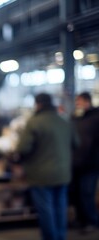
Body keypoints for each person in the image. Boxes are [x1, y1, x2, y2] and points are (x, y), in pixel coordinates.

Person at [13, 93, 79, 240]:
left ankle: (51, 238)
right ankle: (61, 236)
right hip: (63, 173)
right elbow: (76, 143)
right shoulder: (65, 121)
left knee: (46, 209)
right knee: (61, 207)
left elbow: (23, 148)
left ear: (38, 104)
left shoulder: (34, 122)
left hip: (41, 175)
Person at [70, 91, 99, 233]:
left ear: (87, 101)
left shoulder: (96, 118)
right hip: (75, 163)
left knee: (87, 193)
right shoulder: (76, 119)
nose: (77, 104)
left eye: (79, 101)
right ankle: (80, 219)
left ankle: (92, 221)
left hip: (91, 163)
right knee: (76, 194)